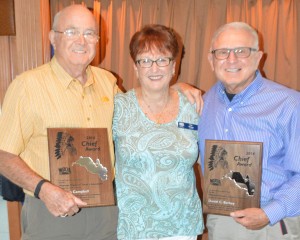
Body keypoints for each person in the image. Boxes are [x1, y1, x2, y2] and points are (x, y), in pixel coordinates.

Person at [0, 4, 202, 240]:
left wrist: (177, 87)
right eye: (71, 32)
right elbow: (4, 154)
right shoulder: (27, 86)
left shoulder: (107, 82)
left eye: (89, 33)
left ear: (97, 41)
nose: (81, 40)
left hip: (107, 212)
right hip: (51, 211)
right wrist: (43, 189)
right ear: (53, 38)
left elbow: (147, 99)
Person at [198, 22, 300, 240]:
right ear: (211, 60)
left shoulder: (289, 104)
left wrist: (269, 213)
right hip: (221, 222)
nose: (231, 59)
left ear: (258, 57)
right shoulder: (201, 104)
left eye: (242, 51)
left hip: (273, 224)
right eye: (222, 52)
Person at [113, 24, 204, 240]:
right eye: (145, 60)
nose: (154, 68)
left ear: (174, 66)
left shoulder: (193, 106)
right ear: (135, 67)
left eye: (162, 60)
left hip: (184, 228)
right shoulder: (117, 108)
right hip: (135, 227)